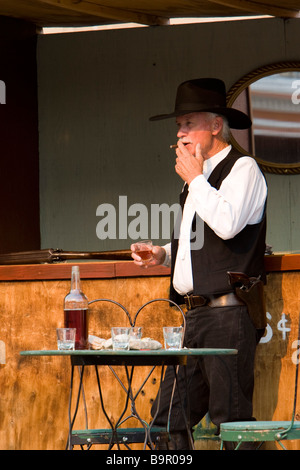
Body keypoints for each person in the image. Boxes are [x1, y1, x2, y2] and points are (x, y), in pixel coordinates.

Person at [131, 78, 268, 450]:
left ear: (215, 126)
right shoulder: (198, 181)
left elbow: (228, 224)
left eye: (188, 123)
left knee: (232, 423)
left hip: (228, 313)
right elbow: (200, 243)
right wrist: (163, 254)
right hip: (192, 317)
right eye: (179, 126)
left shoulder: (243, 170)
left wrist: (196, 180)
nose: (181, 132)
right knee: (166, 425)